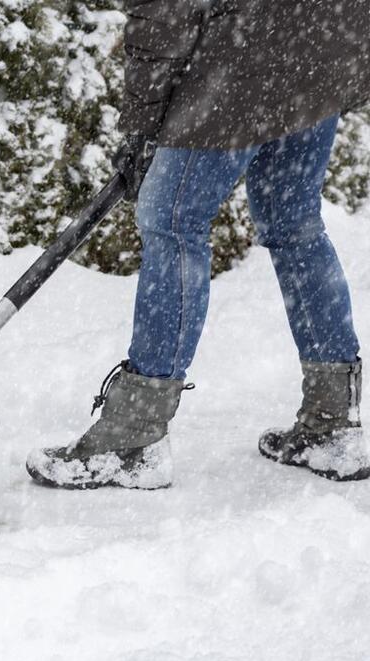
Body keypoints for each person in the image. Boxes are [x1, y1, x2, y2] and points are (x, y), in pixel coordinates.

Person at [26, 0, 370, 489]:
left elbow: (164, 16)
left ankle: (134, 435)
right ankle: (333, 422)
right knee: (295, 222)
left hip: (247, 51)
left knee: (171, 221)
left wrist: (143, 128)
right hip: (324, 38)